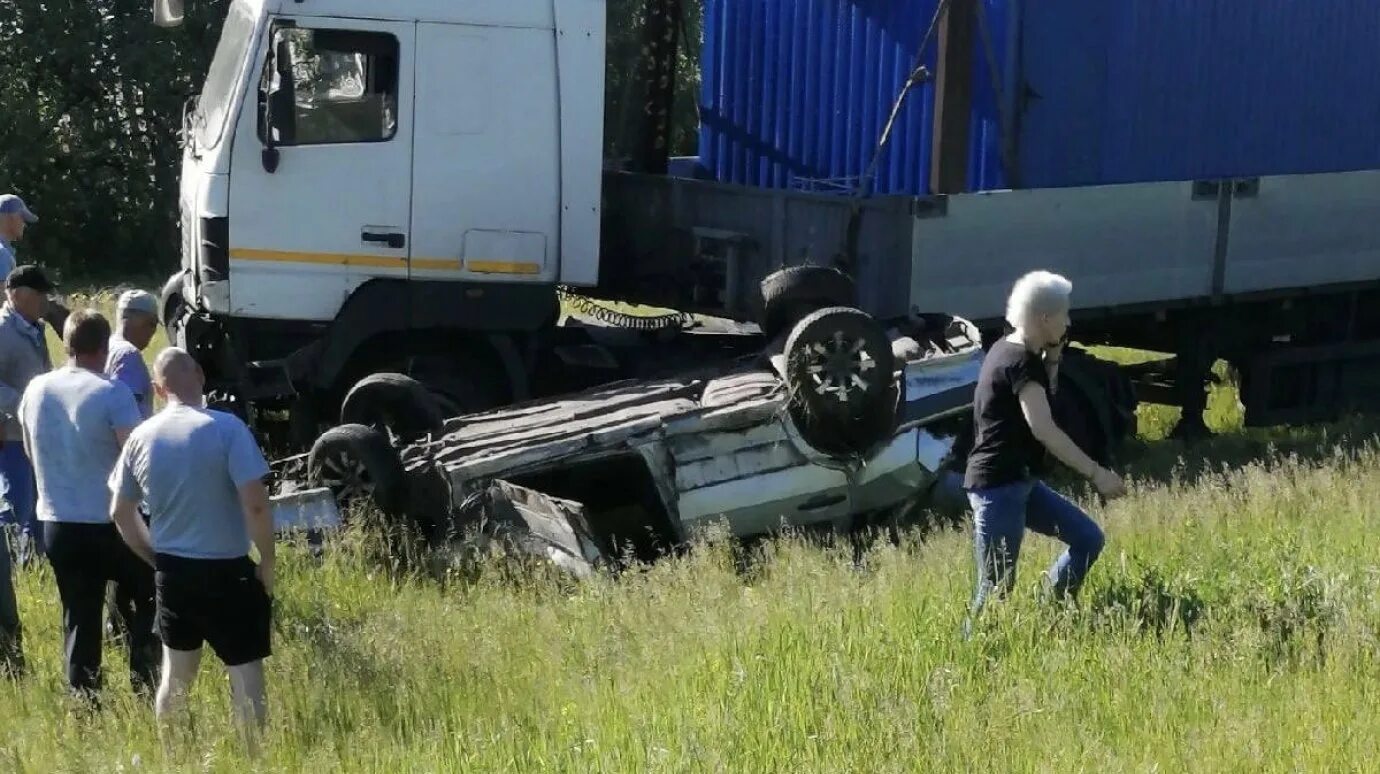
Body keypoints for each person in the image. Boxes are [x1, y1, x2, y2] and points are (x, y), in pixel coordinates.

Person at [109, 347, 275, 742]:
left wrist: (154, 557)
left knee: (176, 676)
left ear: (157, 388)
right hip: (228, 570)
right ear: (199, 374)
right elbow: (254, 503)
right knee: (245, 673)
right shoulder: (226, 428)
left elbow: (119, 512)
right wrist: (267, 560)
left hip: (173, 572)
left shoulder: (140, 438)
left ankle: (174, 758)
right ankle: (253, 760)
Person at [962, 270, 1127, 626]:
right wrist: (1097, 474)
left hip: (1020, 483)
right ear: (1044, 318)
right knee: (994, 591)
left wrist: (1053, 360)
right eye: (1064, 315)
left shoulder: (1010, 348)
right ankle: (967, 658)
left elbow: (1040, 403)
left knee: (1087, 539)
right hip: (998, 488)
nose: (1068, 322)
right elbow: (1045, 430)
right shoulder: (1018, 362)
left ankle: (1047, 613)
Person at [17, 309, 154, 699]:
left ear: (67, 344)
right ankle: (145, 682)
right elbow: (135, 458)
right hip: (111, 522)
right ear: (105, 346)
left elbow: (30, 450)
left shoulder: (37, 389)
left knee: (79, 614)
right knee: (149, 592)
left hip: (58, 520)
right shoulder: (113, 393)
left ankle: (85, 698)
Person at [0, 265, 56, 563]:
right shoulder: (3, 330)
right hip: (9, 435)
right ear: (18, 295)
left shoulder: (34, 326)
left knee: (37, 505)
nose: (45, 300)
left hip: (35, 435)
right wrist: (25, 403)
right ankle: (5, 572)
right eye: (39, 294)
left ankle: (32, 564)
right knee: (14, 505)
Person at [106, 289, 160, 420]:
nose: (153, 331)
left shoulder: (105, 346)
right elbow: (126, 413)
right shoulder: (128, 354)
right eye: (151, 323)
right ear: (127, 319)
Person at [0, 195, 38, 280]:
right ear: (11, 218)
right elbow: (2, 292)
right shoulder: (2, 254)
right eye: (22, 218)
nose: (24, 224)